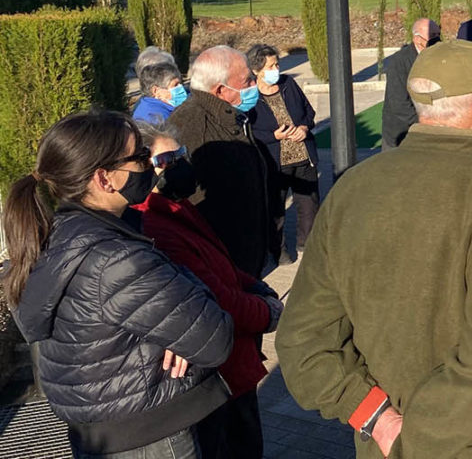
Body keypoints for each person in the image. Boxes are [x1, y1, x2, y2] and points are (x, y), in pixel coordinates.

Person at [277, 40, 472, 458]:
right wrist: (419, 440)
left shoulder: (352, 186)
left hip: (385, 441)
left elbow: (302, 344)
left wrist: (377, 419)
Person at [3, 110, 233, 458]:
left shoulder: (61, 235)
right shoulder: (114, 257)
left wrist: (173, 325)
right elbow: (215, 337)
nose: (150, 165)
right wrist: (179, 316)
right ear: (104, 179)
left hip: (103, 432)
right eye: (140, 156)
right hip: (149, 437)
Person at [134, 121, 284, 459]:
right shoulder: (155, 226)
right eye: (167, 159)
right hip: (216, 375)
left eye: (181, 155)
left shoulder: (177, 208)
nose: (179, 166)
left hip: (231, 368)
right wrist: (268, 313)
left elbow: (221, 266)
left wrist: (255, 286)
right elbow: (215, 299)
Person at [168, 45, 277, 278]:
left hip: (244, 262)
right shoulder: (190, 125)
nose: (254, 86)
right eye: (247, 81)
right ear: (220, 90)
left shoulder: (229, 115)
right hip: (220, 268)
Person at [245, 44, 320, 256]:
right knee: (276, 210)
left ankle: (308, 245)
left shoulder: (289, 84)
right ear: (256, 70)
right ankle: (279, 252)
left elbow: (309, 111)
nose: (276, 69)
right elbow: (248, 131)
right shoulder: (250, 97)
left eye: (277, 64)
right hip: (275, 162)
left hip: (303, 157)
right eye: (271, 66)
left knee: (309, 206)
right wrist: (273, 137)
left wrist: (304, 128)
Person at [381, 18, 440, 150]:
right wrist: (424, 122)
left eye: (438, 35)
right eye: (432, 36)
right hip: (400, 134)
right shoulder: (399, 62)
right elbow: (398, 103)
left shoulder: (438, 57)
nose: (436, 40)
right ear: (417, 39)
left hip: (428, 131)